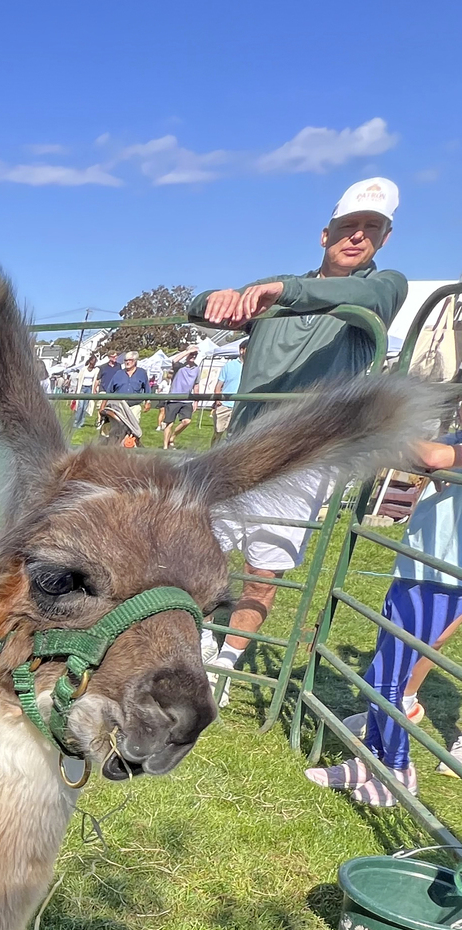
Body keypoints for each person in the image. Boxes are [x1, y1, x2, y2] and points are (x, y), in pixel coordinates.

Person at [193, 176, 408, 698]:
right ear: (324, 234)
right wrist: (214, 299)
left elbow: (365, 297)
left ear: (384, 239)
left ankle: (224, 664)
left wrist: (282, 293)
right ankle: (193, 641)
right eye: (347, 226)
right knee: (197, 552)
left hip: (305, 459)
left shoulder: (382, 286)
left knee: (264, 571)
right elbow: (205, 309)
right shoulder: (278, 284)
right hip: (239, 450)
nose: (357, 237)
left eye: (371, 229)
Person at [305, 431, 462, 806]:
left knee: (385, 679)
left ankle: (399, 771)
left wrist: (388, 431)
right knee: (382, 674)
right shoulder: (455, 437)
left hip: (442, 579)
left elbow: (435, 457)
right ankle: (370, 760)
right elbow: (420, 459)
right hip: (415, 570)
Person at [97, 348, 149, 447]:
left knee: (132, 427)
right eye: (125, 360)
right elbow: (109, 391)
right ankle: (114, 445)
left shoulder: (142, 373)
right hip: (118, 405)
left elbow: (147, 388)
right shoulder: (118, 374)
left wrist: (148, 402)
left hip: (134, 405)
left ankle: (129, 446)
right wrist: (102, 407)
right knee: (117, 427)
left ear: (135, 361)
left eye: (129, 360)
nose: (127, 362)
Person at [161, 347, 199, 447]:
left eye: (195, 354)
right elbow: (174, 360)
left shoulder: (196, 368)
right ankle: (165, 446)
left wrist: (196, 401)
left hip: (187, 400)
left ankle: (172, 437)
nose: (193, 356)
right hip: (174, 399)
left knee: (187, 421)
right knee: (169, 423)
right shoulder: (179, 366)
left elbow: (196, 385)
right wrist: (188, 351)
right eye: (192, 354)